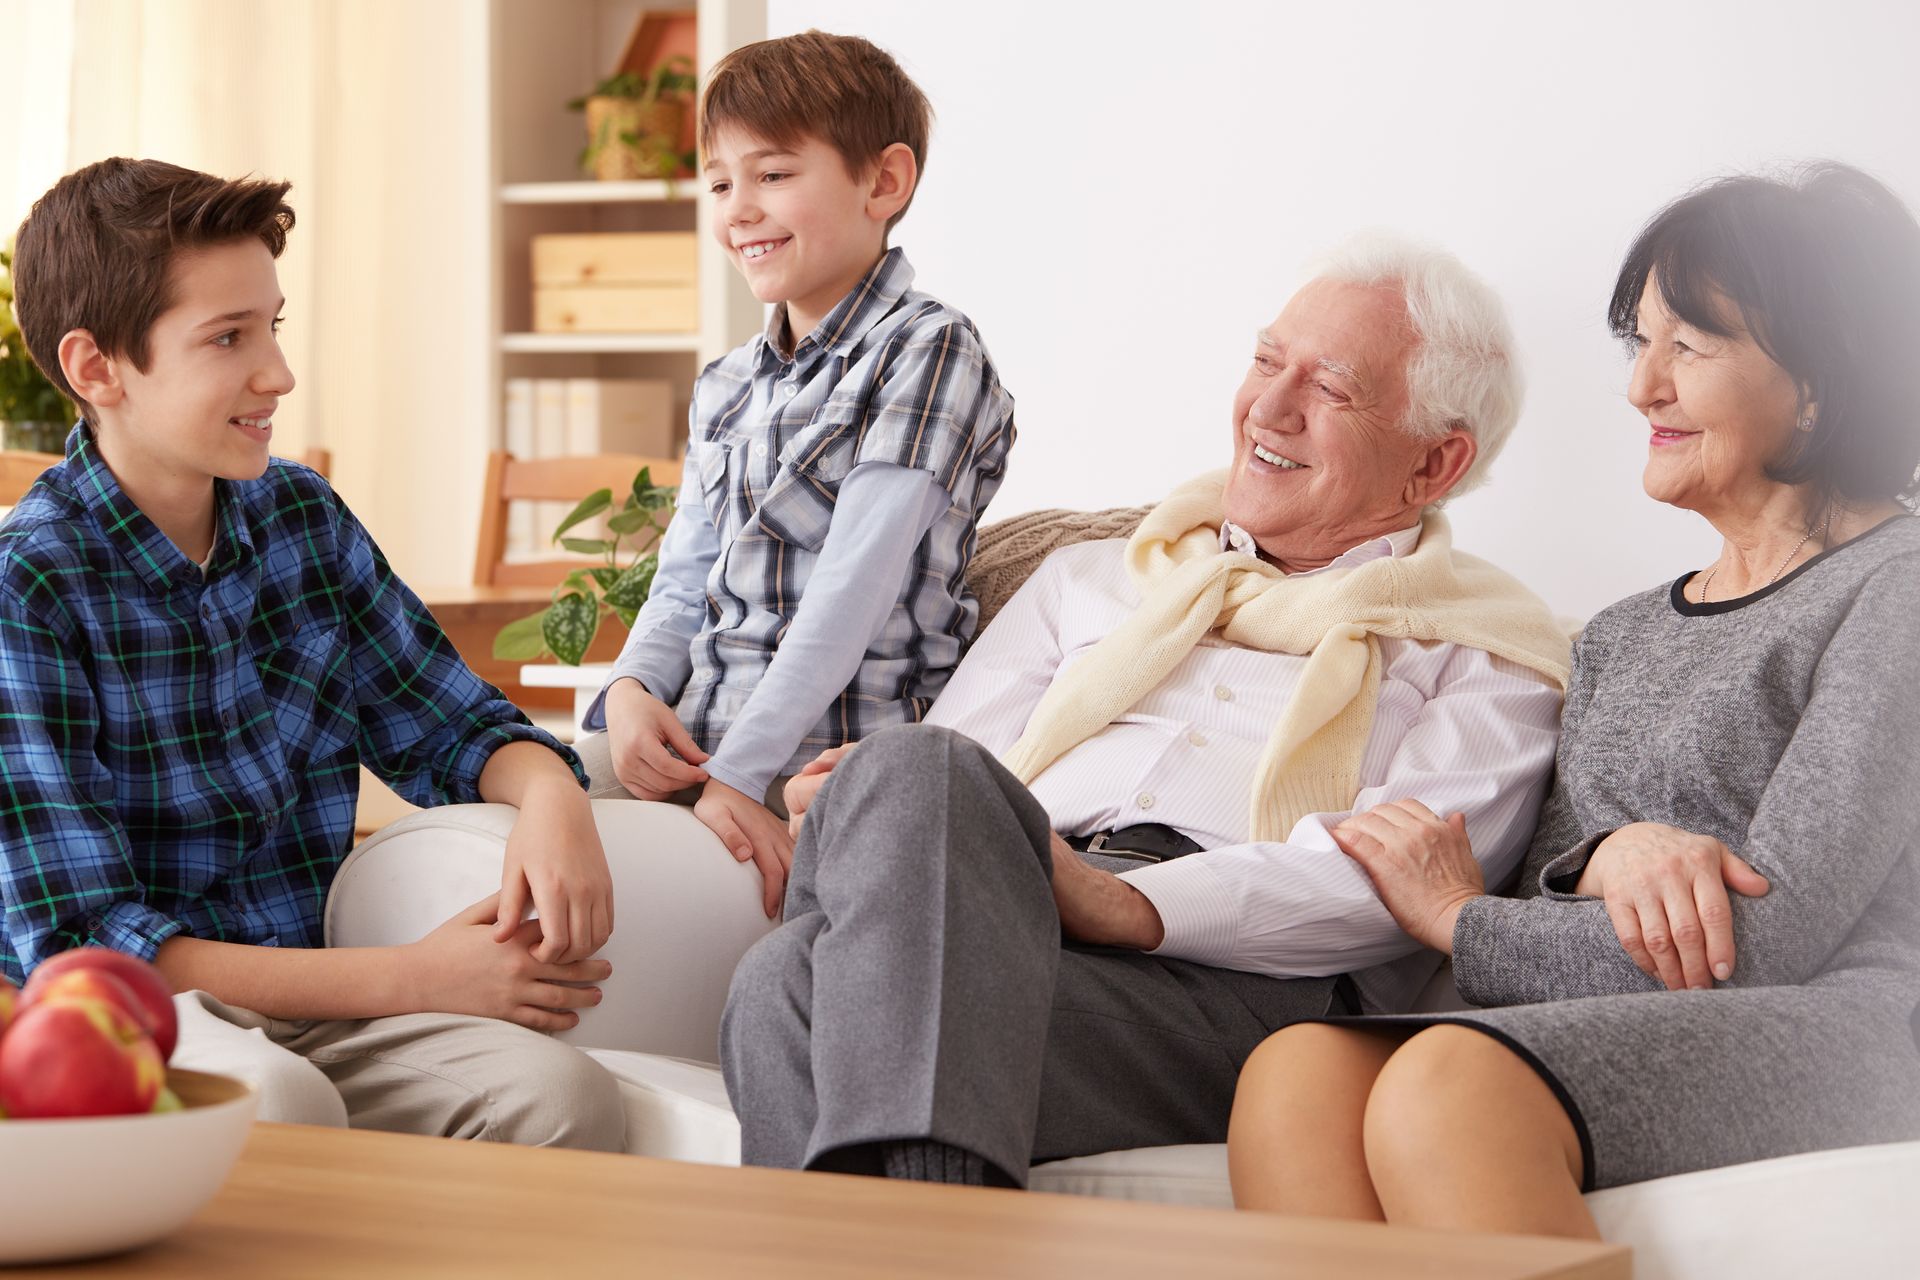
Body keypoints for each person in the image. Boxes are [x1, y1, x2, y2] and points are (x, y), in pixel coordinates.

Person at [720, 234, 1574, 1187]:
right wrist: (859, 810)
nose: (1270, 407)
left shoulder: (1490, 655)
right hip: (1005, 919)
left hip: (1235, 1002)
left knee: (793, 984)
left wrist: (1128, 905)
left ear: (1432, 465)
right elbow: (951, 772)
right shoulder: (1090, 576)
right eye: (1264, 361)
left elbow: (1383, 893)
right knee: (796, 957)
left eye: (1329, 389)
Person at [1227, 163, 1920, 1239]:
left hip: (1846, 1022)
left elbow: (1764, 938)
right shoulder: (1625, 634)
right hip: (1635, 1005)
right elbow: (1561, 885)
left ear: (1821, 380)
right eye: (1638, 343)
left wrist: (1462, 922)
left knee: (1448, 1083)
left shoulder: (1898, 587)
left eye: (1687, 346)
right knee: (1295, 1073)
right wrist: (1607, 851)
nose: (1643, 387)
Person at [0, 159, 624, 1148]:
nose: (278, 374)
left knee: (565, 1099)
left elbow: (455, 721)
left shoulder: (300, 516)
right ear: (96, 368)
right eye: (228, 338)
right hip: (133, 1018)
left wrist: (556, 798)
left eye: (273, 326)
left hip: (323, 993)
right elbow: (84, 944)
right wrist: (414, 976)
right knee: (284, 1106)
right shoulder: (26, 587)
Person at [576, 31, 1016, 919]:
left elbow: (849, 597)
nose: (739, 208)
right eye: (719, 182)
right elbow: (683, 579)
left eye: (773, 175)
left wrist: (740, 777)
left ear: (883, 182)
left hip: (821, 770)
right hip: (704, 743)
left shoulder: (929, 349)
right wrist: (626, 694)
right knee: (502, 804)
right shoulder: (728, 382)